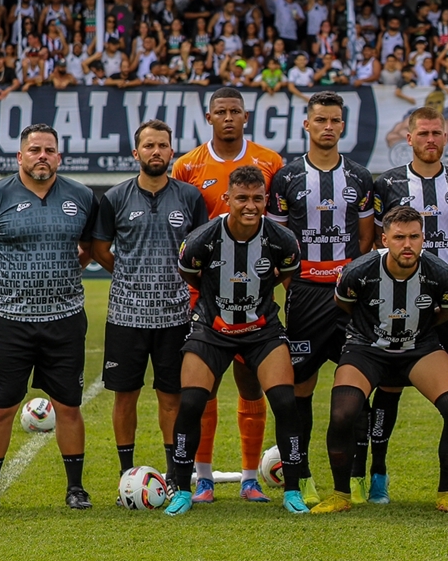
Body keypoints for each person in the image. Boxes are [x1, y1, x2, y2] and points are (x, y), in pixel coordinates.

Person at [0, 125, 96, 512]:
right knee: (1, 407)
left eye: (49, 150)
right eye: (34, 150)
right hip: (9, 319)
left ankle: (76, 488)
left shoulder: (81, 196)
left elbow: (90, 245)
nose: (42, 156)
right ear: (20, 157)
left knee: (68, 404)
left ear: (59, 157)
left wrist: (73, 266)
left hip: (65, 318)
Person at [165, 166, 307, 516]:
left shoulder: (282, 240)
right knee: (192, 403)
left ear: (265, 200)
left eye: (257, 198)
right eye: (242, 198)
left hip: (262, 331)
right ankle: (185, 488)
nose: (250, 205)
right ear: (227, 199)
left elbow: (287, 276)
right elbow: (189, 272)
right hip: (212, 330)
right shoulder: (203, 238)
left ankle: (292, 491)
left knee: (286, 403)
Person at [316, 205, 448, 515]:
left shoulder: (440, 273)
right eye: (399, 237)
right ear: (384, 239)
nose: (407, 244)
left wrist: (419, 330)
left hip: (419, 347)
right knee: (343, 413)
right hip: (366, 348)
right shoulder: (358, 272)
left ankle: (446, 495)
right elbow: (343, 303)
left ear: (423, 238)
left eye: (414, 236)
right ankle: (340, 494)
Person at [170, 87, 285, 501]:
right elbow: (185, 231)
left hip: (255, 296)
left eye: (235, 110)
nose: (229, 117)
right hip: (206, 298)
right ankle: (202, 479)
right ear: (209, 117)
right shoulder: (187, 166)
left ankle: (250, 477)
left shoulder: (270, 163)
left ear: (246, 116)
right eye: (221, 111)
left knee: (251, 384)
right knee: (206, 388)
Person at [268, 92, 377, 497]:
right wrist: (296, 283)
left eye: (334, 121)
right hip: (306, 295)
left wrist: (349, 277)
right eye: (320, 120)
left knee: (359, 381)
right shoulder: (287, 177)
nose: (327, 127)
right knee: (301, 386)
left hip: (350, 296)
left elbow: (366, 239)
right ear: (307, 125)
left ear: (342, 126)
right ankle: (301, 477)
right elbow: (278, 240)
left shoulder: (361, 178)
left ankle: (357, 476)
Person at [372, 105, 448, 502]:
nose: (430, 140)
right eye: (423, 134)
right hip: (398, 297)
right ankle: (377, 473)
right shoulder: (386, 185)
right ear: (409, 137)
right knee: (388, 384)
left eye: (437, 133)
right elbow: (374, 241)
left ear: (446, 137)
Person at [89, 119, 209, 483]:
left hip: (176, 315)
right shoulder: (114, 198)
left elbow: (200, 252)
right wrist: (129, 274)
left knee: (171, 398)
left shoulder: (189, 197)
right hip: (126, 315)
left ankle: (174, 475)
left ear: (172, 151)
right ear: (135, 152)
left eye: (162, 146)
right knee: (124, 396)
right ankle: (127, 473)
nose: (155, 152)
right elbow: (100, 248)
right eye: (149, 146)